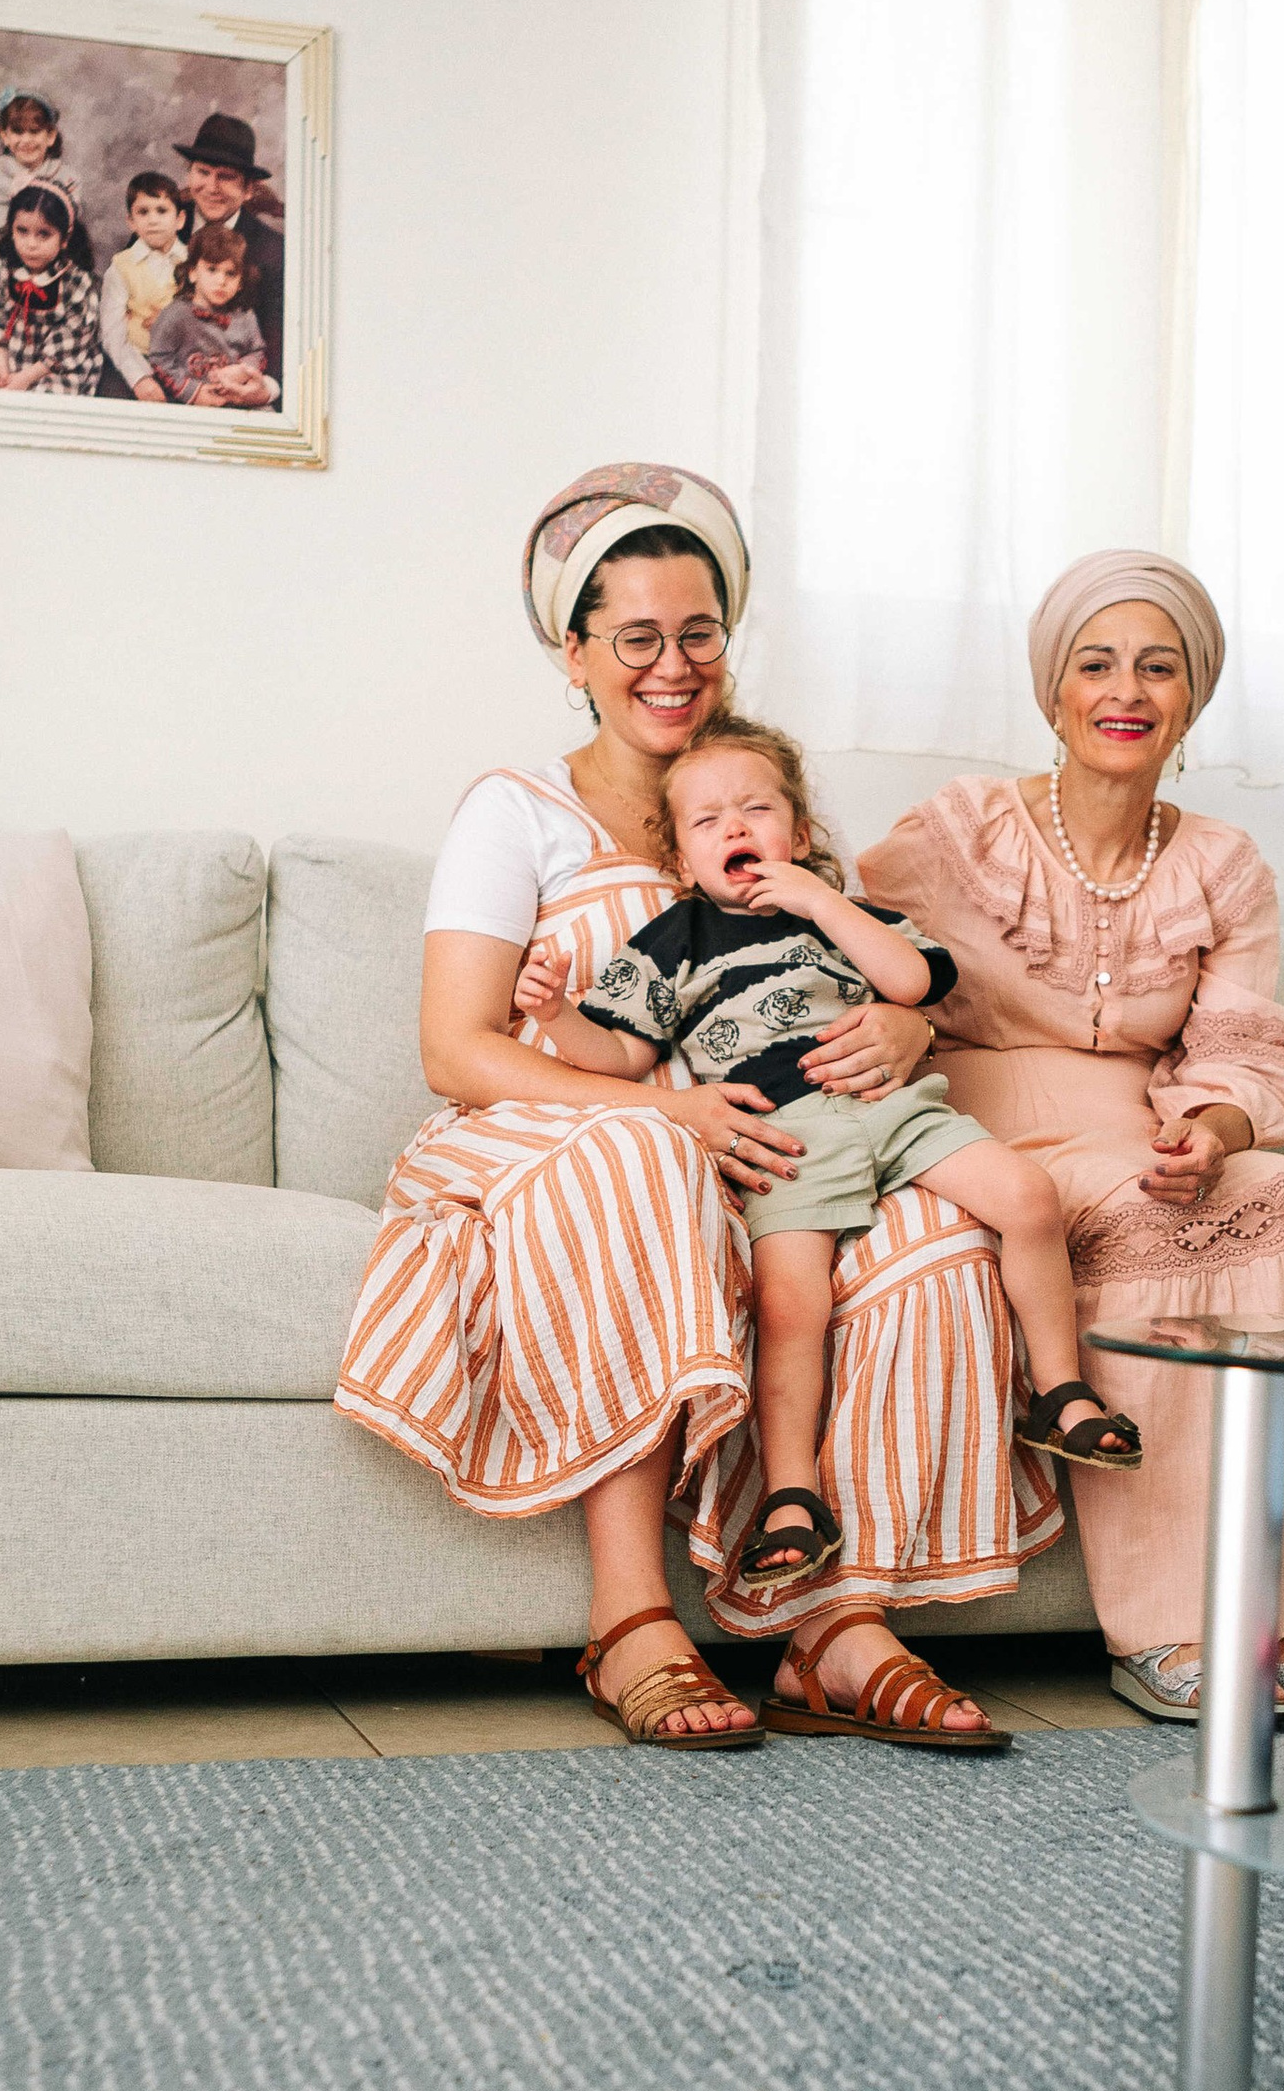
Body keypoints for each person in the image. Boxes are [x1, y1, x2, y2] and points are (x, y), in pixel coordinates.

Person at [336, 463, 1066, 1755]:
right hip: (571, 1129)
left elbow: (853, 960)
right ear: (571, 654)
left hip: (779, 1143)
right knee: (638, 1163)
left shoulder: (749, 797)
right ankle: (630, 1620)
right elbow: (455, 1052)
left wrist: (904, 1023)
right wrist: (661, 1114)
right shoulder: (518, 813)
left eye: (698, 634)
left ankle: (837, 1622)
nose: (671, 666)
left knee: (933, 1244)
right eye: (634, 640)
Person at [861, 547, 1284, 1721]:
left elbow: (1237, 1044)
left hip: (1148, 1129)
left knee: (1278, 1195)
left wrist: (1217, 1126)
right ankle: (1168, 1626)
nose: (1125, 690)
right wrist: (881, 1025)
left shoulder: (1224, 862)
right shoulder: (957, 828)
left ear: (1193, 698)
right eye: (1096, 664)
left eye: (1157, 667)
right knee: (1152, 1219)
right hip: (979, 1129)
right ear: (1053, 692)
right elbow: (862, 955)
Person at [519, 716, 1139, 1601]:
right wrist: (557, 1017)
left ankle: (1062, 1394)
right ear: (682, 860)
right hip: (790, 1138)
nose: (734, 828)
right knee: (790, 1302)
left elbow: (915, 984)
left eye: (756, 809)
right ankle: (789, 1493)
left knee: (1030, 1198)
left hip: (895, 1110)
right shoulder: (675, 938)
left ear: (800, 834)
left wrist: (820, 900)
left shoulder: (850, 917)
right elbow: (618, 1056)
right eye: (707, 821)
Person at [173, 109, 285, 380]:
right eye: (203, 172)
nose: (211, 187)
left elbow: (276, 351)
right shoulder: (161, 222)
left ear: (249, 190)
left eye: (225, 176)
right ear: (190, 175)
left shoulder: (273, 253)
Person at [0, 182, 105, 395]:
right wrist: (1, 363)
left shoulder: (75, 281)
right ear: (11, 229)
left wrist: (26, 378)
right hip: (9, 356)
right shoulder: (6, 269)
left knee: (43, 409)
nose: (31, 244)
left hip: (55, 368)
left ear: (64, 239)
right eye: (22, 231)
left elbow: (72, 338)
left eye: (44, 234)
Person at [147, 222, 279, 409]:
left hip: (237, 396)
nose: (221, 281)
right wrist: (193, 392)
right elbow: (159, 358)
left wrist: (240, 372)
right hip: (193, 400)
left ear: (241, 282)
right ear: (192, 273)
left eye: (231, 274)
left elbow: (256, 350)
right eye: (212, 270)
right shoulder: (175, 314)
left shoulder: (245, 316)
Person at [0, 83, 79, 320]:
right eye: (18, 132)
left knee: (59, 310)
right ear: (4, 135)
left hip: (56, 258)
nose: (26, 140)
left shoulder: (67, 175)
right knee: (10, 312)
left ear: (51, 136)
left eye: (34, 132)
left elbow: (71, 223)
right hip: (13, 256)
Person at [102, 166, 189, 395]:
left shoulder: (193, 262)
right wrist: (139, 378)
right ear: (131, 221)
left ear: (179, 220)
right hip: (136, 357)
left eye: (162, 211)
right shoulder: (121, 267)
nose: (153, 220)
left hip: (185, 362)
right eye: (143, 212)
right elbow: (112, 332)